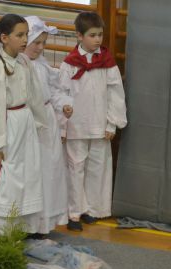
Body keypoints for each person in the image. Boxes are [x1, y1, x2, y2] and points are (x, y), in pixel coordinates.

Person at [0, 14, 47, 237]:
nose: (25, 39)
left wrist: (37, 123)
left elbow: (34, 95)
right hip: (5, 128)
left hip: (24, 123)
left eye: (26, 34)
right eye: (20, 35)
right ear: (4, 37)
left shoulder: (24, 61)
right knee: (6, 180)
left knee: (25, 177)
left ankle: (19, 229)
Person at [59, 11, 127, 231]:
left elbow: (116, 93)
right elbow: (61, 92)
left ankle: (91, 209)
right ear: (79, 35)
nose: (98, 39)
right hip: (76, 125)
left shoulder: (107, 62)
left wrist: (111, 123)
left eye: (100, 35)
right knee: (75, 168)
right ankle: (74, 213)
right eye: (92, 35)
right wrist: (63, 122)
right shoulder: (69, 63)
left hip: (99, 125)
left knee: (97, 169)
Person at [24, 16, 74, 237]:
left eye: (43, 43)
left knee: (48, 171)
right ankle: (27, 222)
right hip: (28, 123)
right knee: (31, 173)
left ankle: (43, 222)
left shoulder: (42, 65)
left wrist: (63, 104)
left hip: (46, 124)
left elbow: (53, 90)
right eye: (36, 42)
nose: (40, 47)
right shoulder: (18, 66)